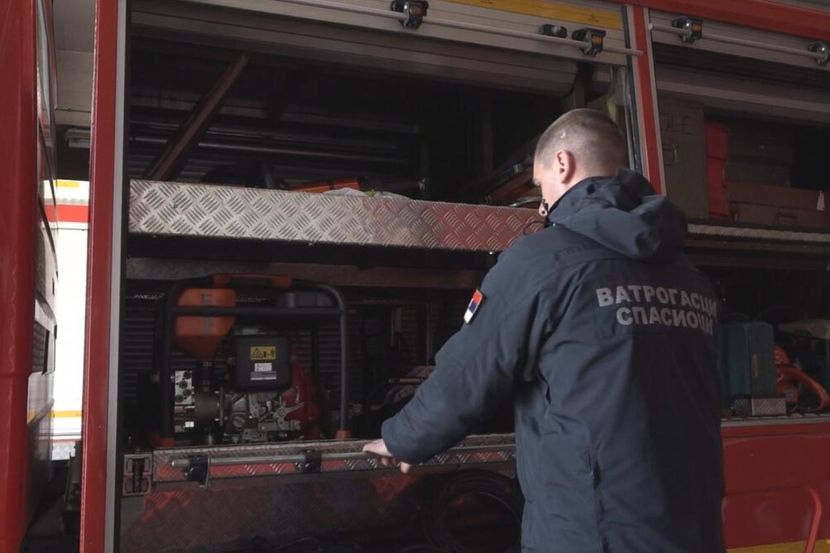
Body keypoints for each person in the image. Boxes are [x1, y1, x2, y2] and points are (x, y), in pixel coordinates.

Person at [363, 109, 725, 552]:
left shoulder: (542, 260)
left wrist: (404, 438)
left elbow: (472, 372)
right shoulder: (689, 275)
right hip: (693, 525)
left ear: (562, 164)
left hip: (593, 531)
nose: (541, 205)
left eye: (540, 186)